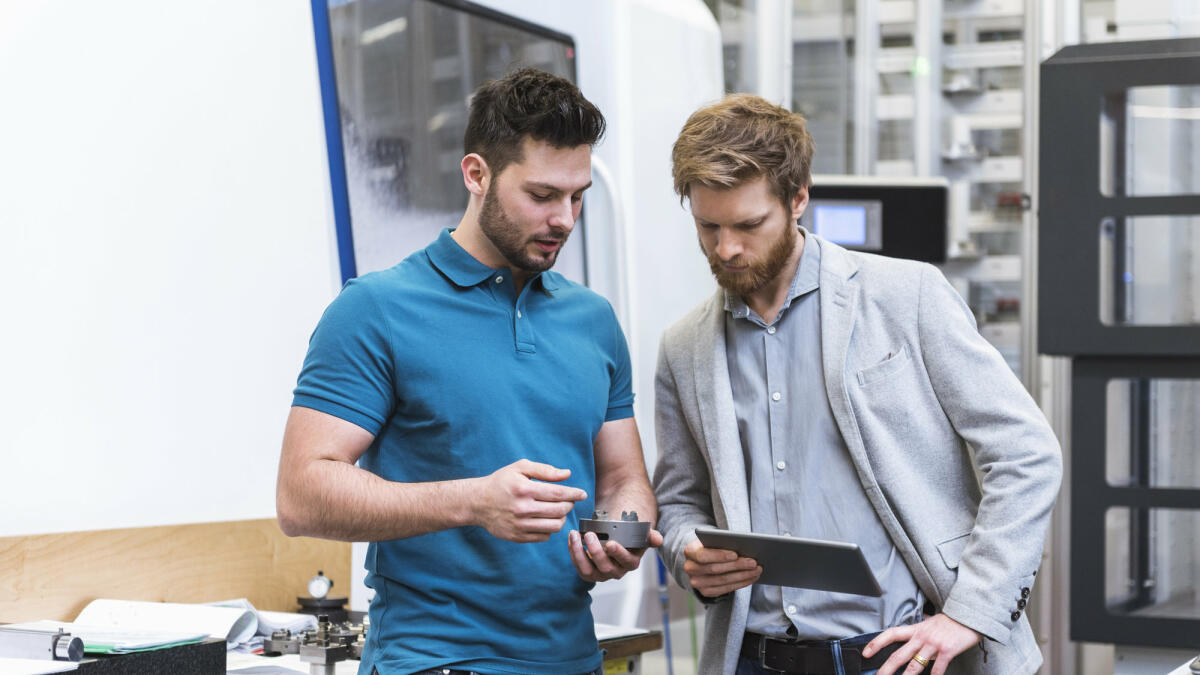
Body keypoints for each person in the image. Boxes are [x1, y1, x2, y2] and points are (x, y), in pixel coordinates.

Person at [652, 93, 1062, 675]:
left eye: (749, 224)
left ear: (798, 199)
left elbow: (1027, 454)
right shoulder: (683, 347)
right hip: (751, 658)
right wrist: (688, 551)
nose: (727, 248)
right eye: (708, 226)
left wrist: (971, 612)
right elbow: (678, 502)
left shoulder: (908, 295)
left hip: (900, 655)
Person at [276, 68, 661, 675]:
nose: (564, 217)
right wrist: (474, 502)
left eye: (577, 195)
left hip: (574, 659)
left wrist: (620, 534)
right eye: (541, 195)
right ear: (476, 174)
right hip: (437, 661)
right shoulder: (376, 309)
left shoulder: (594, 320)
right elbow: (302, 495)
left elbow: (625, 479)